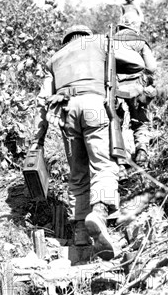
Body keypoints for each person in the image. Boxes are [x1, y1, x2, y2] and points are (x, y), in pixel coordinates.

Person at [32, 25, 147, 260]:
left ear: (67, 39)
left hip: (66, 112)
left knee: (78, 173)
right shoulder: (99, 42)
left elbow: (43, 102)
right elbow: (137, 63)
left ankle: (81, 234)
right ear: (86, 34)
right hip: (95, 106)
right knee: (104, 165)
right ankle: (100, 212)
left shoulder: (55, 58)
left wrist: (38, 141)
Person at [114, 23, 157, 166]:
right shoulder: (140, 41)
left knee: (115, 123)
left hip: (116, 87)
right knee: (140, 119)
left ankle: (119, 160)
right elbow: (151, 67)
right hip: (137, 85)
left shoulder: (109, 42)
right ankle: (142, 150)